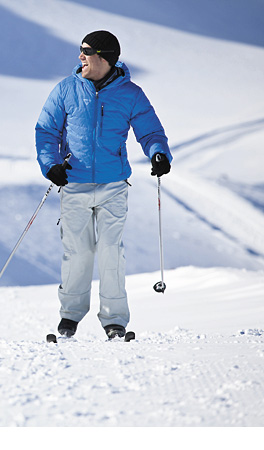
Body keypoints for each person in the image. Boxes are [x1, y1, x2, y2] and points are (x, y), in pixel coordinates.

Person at [35, 30, 172, 339]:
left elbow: (150, 131)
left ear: (104, 57)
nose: (80, 56)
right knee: (78, 252)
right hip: (74, 183)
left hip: (113, 184)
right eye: (80, 50)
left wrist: (159, 153)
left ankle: (114, 321)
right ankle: (70, 316)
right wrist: (51, 164)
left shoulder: (131, 94)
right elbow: (46, 130)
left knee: (111, 251)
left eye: (86, 51)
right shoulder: (66, 89)